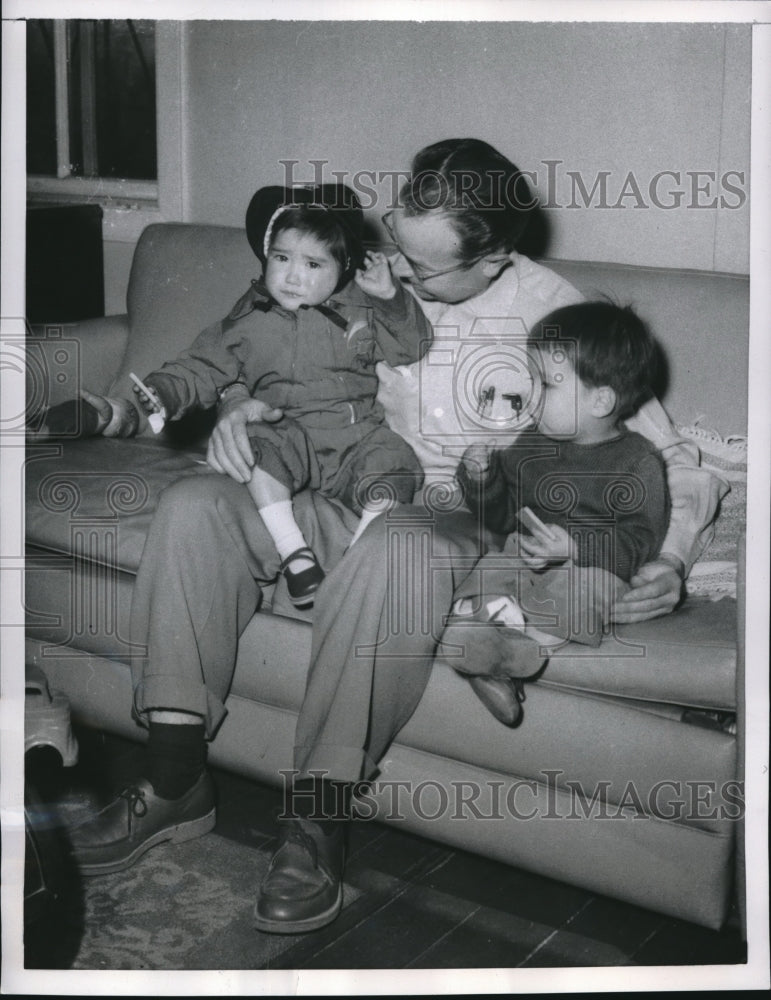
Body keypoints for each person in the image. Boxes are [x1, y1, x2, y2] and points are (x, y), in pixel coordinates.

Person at [65, 139, 727, 936]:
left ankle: (316, 819)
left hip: (468, 522)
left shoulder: (556, 315)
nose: (397, 276)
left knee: (397, 544)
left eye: (422, 268)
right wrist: (248, 406)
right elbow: (281, 353)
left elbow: (680, 463)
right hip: (359, 486)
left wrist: (670, 556)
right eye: (395, 250)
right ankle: (174, 782)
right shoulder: (368, 273)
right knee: (198, 505)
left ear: (494, 260)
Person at [444, 300, 670, 726]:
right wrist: (483, 479)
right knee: (489, 565)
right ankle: (486, 637)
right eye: (531, 379)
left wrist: (575, 547)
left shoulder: (638, 462)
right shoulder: (531, 444)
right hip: (525, 556)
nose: (530, 395)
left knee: (579, 590)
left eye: (545, 385)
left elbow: (642, 542)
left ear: (601, 400)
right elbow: (502, 516)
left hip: (592, 568)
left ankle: (518, 648)